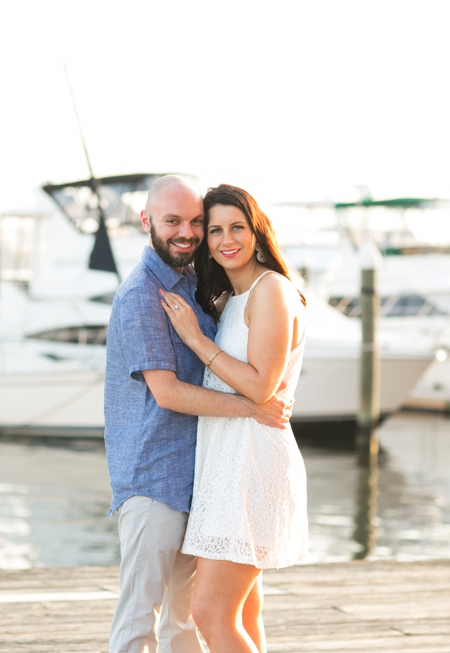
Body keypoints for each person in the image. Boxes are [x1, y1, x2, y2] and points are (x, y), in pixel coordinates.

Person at [104, 175, 293, 653]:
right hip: (154, 480)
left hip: (205, 480)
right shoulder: (143, 296)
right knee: (137, 620)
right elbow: (166, 394)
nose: (187, 232)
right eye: (173, 221)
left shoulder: (197, 284)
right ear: (146, 221)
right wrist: (252, 405)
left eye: (195, 222)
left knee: (185, 622)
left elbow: (253, 361)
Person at [159, 184, 308, 653]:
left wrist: (194, 339)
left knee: (210, 613)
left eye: (237, 227)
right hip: (228, 464)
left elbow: (261, 385)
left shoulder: (272, 291)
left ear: (256, 231)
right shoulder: (233, 298)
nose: (226, 239)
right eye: (216, 229)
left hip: (253, 465)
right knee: (244, 612)